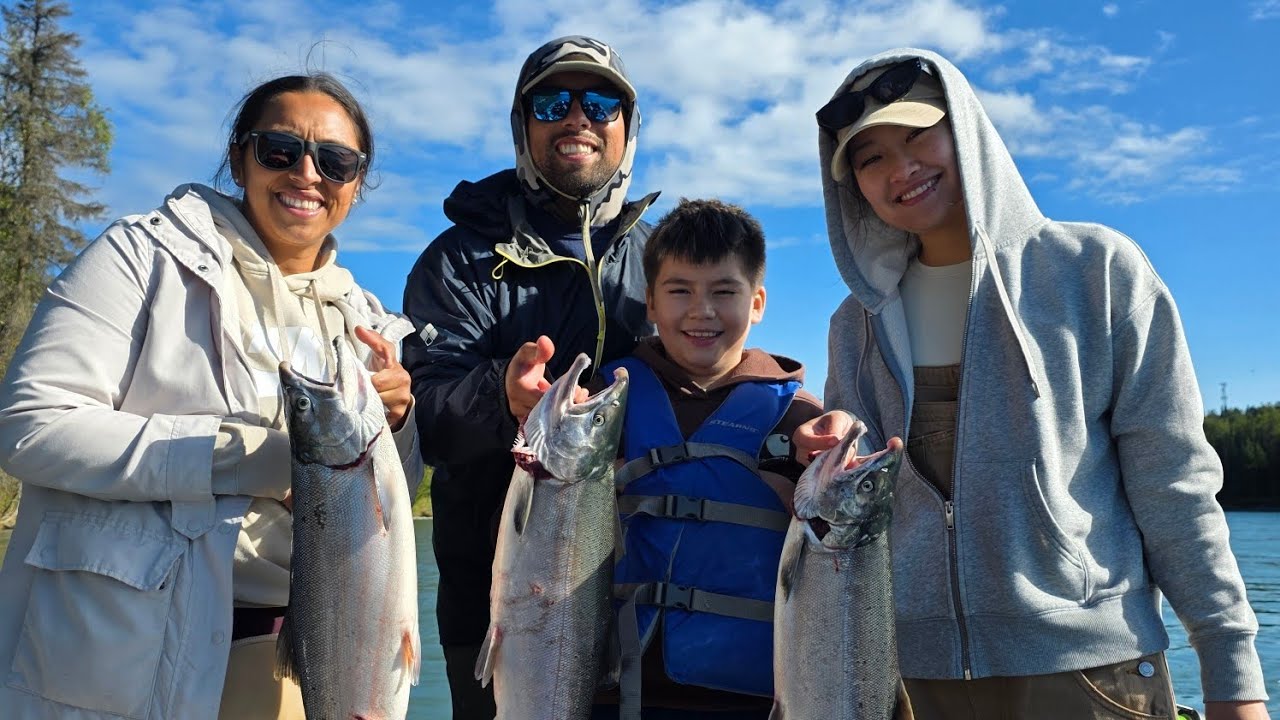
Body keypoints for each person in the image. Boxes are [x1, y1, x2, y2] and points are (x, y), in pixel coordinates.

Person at [794, 48, 1270, 720]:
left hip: (1090, 673)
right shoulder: (854, 324)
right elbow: (856, 520)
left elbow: (1174, 484)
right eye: (870, 158)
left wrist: (1233, 675)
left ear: (967, 127)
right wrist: (833, 448)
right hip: (906, 682)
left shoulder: (1096, 270)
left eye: (918, 136)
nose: (900, 169)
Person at [0, 72, 423, 720]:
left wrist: (396, 426)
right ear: (239, 157)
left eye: (336, 160)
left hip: (312, 655)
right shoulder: (140, 256)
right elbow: (30, 425)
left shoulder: (369, 323)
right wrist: (251, 457)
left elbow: (387, 516)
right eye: (280, 150)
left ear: (356, 181)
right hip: (126, 662)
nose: (307, 173)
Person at [401, 35, 659, 719]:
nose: (577, 117)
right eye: (551, 103)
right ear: (523, 126)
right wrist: (501, 396)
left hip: (649, 607)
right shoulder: (458, 260)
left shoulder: (663, 259)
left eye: (600, 103)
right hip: (498, 608)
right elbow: (424, 419)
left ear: (628, 127)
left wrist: (784, 416)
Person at [588, 198, 824, 720]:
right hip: (612, 694)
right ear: (650, 302)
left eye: (724, 291)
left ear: (757, 302)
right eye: (680, 291)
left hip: (758, 699)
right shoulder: (600, 403)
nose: (702, 311)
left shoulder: (800, 418)